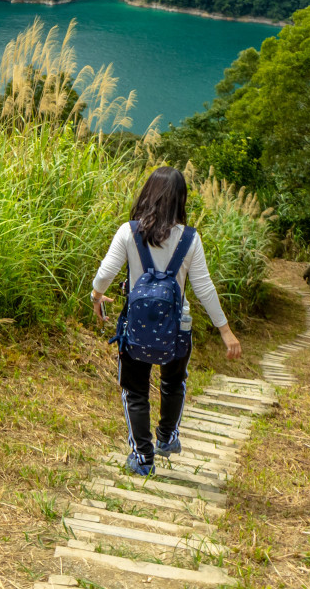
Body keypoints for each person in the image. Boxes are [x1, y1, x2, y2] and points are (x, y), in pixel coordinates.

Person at [91, 166, 242, 477]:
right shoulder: (190, 238)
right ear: (180, 200)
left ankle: (143, 458)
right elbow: (204, 288)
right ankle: (167, 438)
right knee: (173, 381)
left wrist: (96, 296)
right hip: (178, 328)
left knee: (135, 390)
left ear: (148, 193)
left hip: (136, 327)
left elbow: (105, 274)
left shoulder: (128, 231)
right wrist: (225, 331)